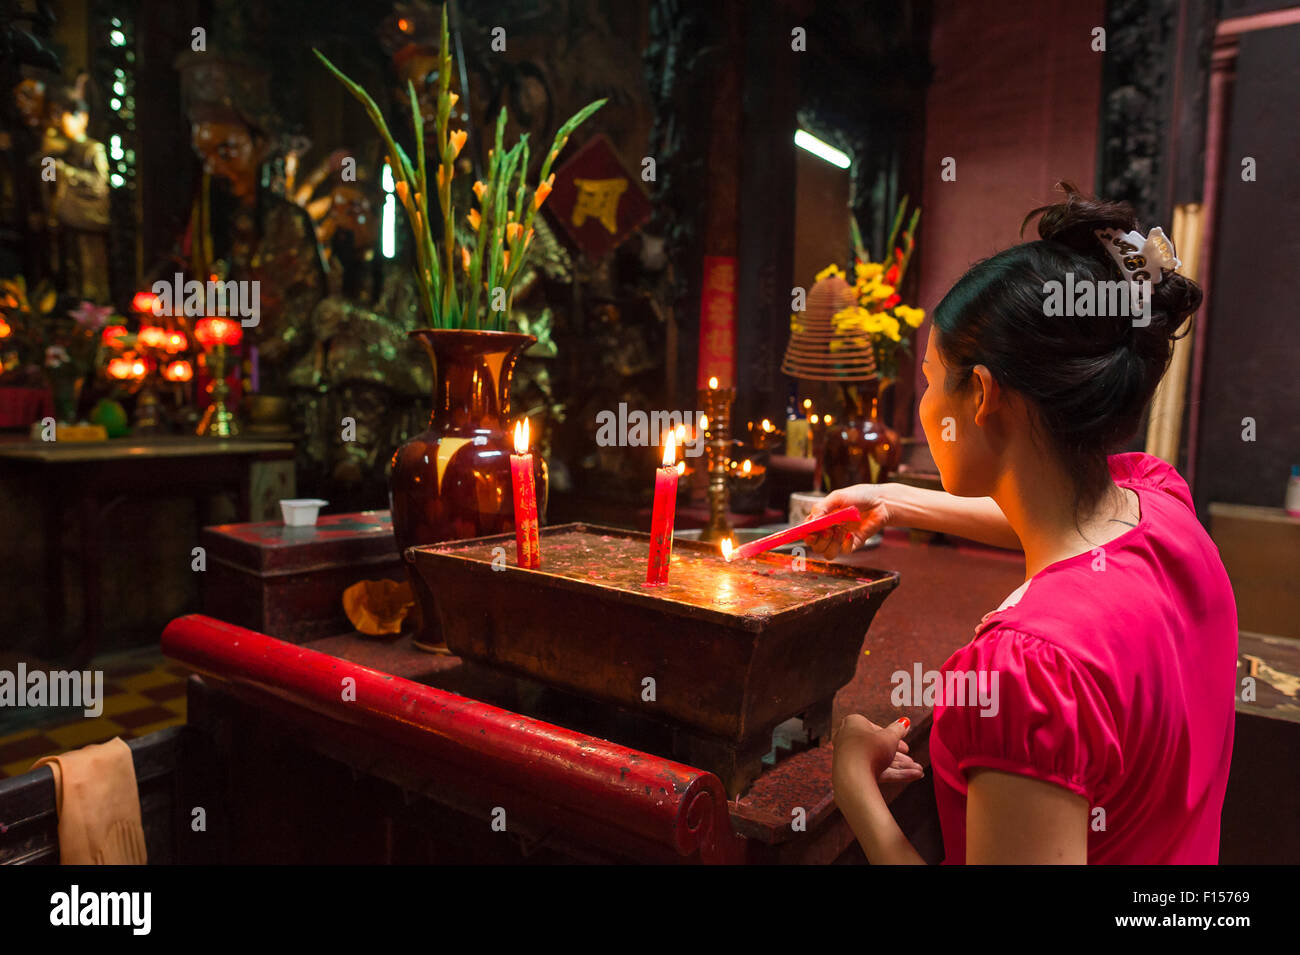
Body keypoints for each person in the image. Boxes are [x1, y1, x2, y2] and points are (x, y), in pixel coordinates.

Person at [809, 184, 1237, 864]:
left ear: (980, 395)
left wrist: (855, 790)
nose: (920, 402)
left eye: (928, 379)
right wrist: (890, 497)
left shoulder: (1030, 673)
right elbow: (1047, 524)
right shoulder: (1162, 507)